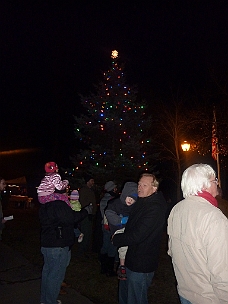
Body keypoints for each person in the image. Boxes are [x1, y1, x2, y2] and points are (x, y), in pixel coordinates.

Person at [167, 164, 228, 304]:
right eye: (214, 181)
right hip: (209, 298)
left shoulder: (177, 209)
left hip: (185, 291)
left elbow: (172, 251)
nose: (217, 184)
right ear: (204, 184)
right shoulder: (214, 217)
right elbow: (222, 270)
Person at [112, 173, 167, 304]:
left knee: (136, 300)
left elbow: (138, 235)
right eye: (139, 184)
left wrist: (117, 238)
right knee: (124, 297)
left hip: (141, 264)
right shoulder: (142, 201)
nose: (140, 188)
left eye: (144, 185)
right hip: (131, 259)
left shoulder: (155, 207)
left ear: (154, 189)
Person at [39, 192, 93, 304]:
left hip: (48, 244)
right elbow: (71, 218)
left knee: (48, 274)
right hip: (58, 245)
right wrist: (86, 211)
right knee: (55, 276)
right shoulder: (59, 204)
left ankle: (45, 300)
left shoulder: (45, 202)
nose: (67, 194)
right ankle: (50, 301)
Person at [105, 181, 138, 280]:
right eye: (129, 197)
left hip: (129, 230)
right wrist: (121, 220)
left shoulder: (133, 207)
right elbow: (109, 214)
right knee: (123, 245)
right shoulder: (115, 204)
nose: (130, 201)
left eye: (133, 199)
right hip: (118, 230)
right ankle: (122, 266)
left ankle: (126, 264)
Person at [99, 180, 118, 275]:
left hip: (104, 225)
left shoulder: (103, 199)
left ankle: (103, 267)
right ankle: (109, 269)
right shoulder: (112, 200)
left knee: (105, 245)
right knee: (112, 246)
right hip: (111, 226)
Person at [77, 174, 97, 256]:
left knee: (88, 232)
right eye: (92, 181)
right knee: (85, 232)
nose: (93, 182)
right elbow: (83, 203)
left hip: (89, 214)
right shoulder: (84, 190)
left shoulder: (89, 190)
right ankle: (82, 251)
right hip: (85, 215)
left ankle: (85, 250)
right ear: (88, 181)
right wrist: (88, 210)